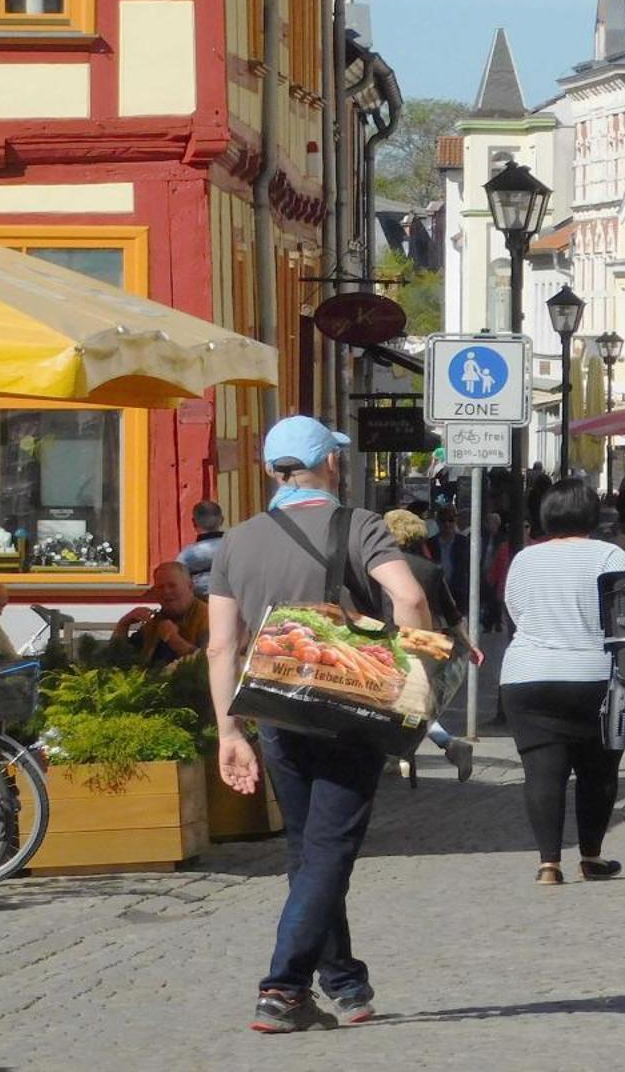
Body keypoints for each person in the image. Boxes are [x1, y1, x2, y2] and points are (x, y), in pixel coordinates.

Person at [206, 416, 431, 1034]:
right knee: (330, 849)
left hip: (277, 712)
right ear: (329, 465)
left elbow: (222, 647)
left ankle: (344, 983)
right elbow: (407, 598)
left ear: (271, 470)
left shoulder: (239, 540)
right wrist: (420, 664)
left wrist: (230, 733)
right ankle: (282, 988)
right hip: (348, 706)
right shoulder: (357, 525)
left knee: (309, 849)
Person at [501, 479, 625, 886]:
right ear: (593, 514)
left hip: (528, 675)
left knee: (541, 771)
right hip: (592, 673)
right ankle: (591, 855)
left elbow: (516, 610)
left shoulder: (525, 558)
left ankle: (548, 863)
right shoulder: (610, 555)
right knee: (599, 769)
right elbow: (623, 612)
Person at [382, 509, 475, 783]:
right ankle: (432, 748)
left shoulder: (379, 566)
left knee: (397, 702)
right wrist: (470, 644)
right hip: (424, 641)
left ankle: (402, 754)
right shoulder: (430, 569)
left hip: (388, 639)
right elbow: (452, 614)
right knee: (414, 703)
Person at [114, 562, 207, 665]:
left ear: (190, 587)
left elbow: (210, 662)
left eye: (172, 586)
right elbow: (118, 658)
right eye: (160, 587)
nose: (166, 591)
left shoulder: (209, 618)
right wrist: (123, 624)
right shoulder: (156, 620)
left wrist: (173, 639)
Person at [179, 500, 227, 599]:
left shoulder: (187, 555)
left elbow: (177, 580)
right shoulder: (237, 549)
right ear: (222, 520)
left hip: (202, 605)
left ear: (193, 522)